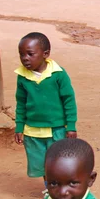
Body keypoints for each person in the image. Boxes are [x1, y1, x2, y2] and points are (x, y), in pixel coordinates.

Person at [14, 32, 77, 183]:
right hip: (32, 130)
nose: (25, 58)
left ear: (45, 54)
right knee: (41, 163)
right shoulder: (22, 76)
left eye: (30, 54)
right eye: (21, 54)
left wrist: (71, 126)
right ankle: (50, 188)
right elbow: (21, 103)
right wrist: (19, 127)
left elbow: (68, 100)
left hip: (57, 129)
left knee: (59, 160)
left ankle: (61, 186)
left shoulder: (58, 74)